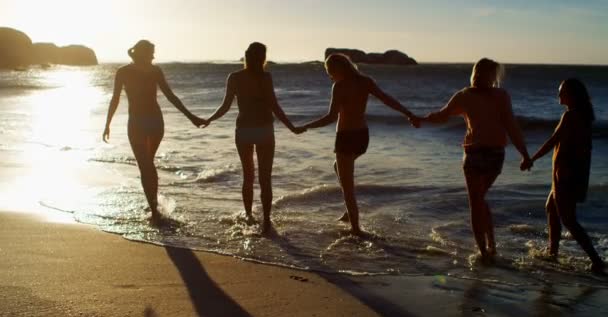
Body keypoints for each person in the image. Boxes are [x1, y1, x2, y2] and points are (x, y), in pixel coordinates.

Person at [415, 58, 530, 261]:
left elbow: (511, 125)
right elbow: (443, 115)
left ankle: (488, 248)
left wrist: (525, 154)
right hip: (476, 154)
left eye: (491, 75)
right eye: (486, 73)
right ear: (478, 73)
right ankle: (485, 249)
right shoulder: (466, 95)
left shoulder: (498, 96)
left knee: (478, 200)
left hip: (492, 155)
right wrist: (420, 119)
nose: (488, 78)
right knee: (477, 200)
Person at [298, 53, 419, 236]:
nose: (330, 75)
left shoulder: (339, 86)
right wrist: (408, 113)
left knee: (347, 186)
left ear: (339, 69)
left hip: (346, 137)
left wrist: (306, 126)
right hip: (363, 136)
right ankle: (350, 213)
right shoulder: (365, 81)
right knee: (338, 168)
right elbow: (387, 99)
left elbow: (331, 117)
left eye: (330, 71)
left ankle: (356, 229)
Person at [203, 42, 304, 234]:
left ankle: (249, 217)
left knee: (248, 176)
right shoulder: (266, 77)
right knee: (265, 178)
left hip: (244, 131)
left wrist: (209, 119)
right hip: (265, 130)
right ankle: (266, 221)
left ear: (246, 56)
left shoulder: (235, 77)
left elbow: (225, 106)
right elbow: (274, 106)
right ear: (263, 58)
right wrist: (291, 127)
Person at [103, 40, 206, 225]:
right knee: (148, 164)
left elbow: (170, 96)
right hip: (148, 122)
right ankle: (154, 208)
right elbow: (115, 99)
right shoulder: (129, 72)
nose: (153, 56)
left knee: (146, 165)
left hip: (145, 122)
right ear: (143, 53)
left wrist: (191, 117)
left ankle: (154, 210)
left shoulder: (135, 71)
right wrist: (107, 123)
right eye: (151, 52)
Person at [521, 79, 604, 274]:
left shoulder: (571, 116)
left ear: (572, 95)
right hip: (570, 173)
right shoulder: (582, 116)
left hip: (566, 174)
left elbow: (553, 141)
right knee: (551, 209)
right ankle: (553, 253)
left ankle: (596, 260)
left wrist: (531, 159)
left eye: (562, 92)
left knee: (568, 219)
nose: (559, 96)